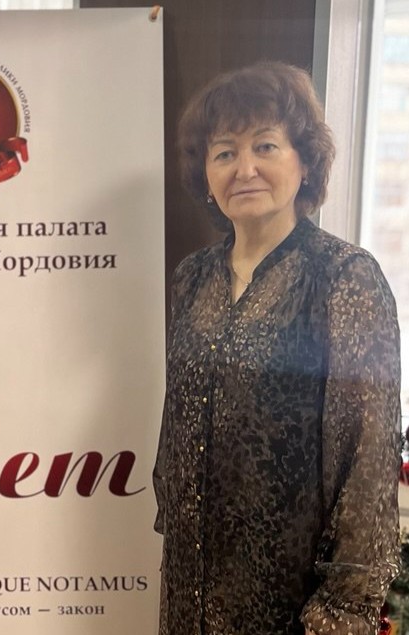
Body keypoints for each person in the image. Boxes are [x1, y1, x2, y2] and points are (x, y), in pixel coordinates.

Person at [153, 60, 402, 635]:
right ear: (206, 174)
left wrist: (341, 610)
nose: (245, 169)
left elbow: (367, 460)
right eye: (224, 152)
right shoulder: (192, 278)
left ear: (304, 160)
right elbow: (179, 422)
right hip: (191, 590)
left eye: (265, 145)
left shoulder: (345, 278)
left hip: (294, 602)